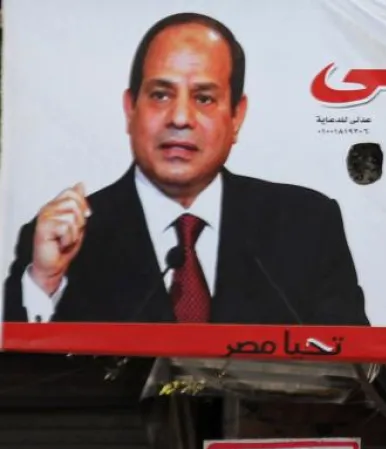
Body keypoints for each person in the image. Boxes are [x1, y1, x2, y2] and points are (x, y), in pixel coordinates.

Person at [3, 13, 366, 326]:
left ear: (237, 116)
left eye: (204, 98)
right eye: (160, 94)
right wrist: (45, 282)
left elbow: (363, 377)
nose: (179, 118)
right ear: (131, 109)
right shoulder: (63, 241)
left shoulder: (306, 225)